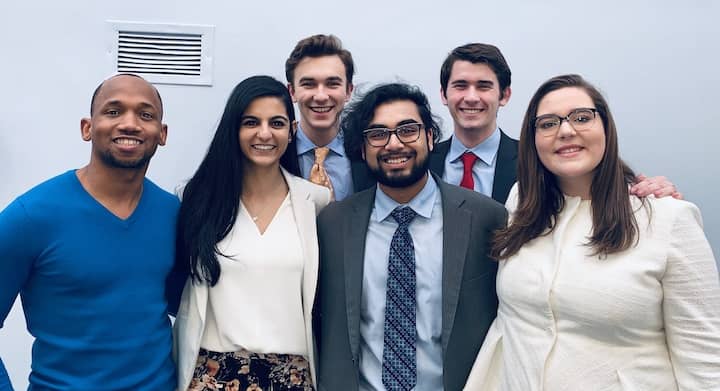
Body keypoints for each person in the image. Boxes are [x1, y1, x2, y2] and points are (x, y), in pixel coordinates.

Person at [465, 74, 720, 390]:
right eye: (547, 124)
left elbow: (705, 363)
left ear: (606, 128)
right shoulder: (521, 203)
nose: (566, 131)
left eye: (582, 118)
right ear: (532, 140)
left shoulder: (669, 220)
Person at [314, 83, 507, 391]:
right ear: (362, 149)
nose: (393, 144)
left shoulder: (486, 219)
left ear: (430, 137)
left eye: (408, 130)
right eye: (378, 134)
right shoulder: (332, 224)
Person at [0, 74, 177, 389]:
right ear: (87, 128)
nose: (130, 123)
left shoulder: (174, 215)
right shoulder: (30, 216)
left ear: (161, 134)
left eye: (145, 114)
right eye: (113, 111)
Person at [173, 75, 331, 391]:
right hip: (213, 374)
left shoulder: (315, 201)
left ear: (292, 130)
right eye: (250, 122)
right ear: (234, 130)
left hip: (292, 375)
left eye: (276, 123)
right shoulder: (197, 199)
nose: (264, 133)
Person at [431, 43, 681, 202]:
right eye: (461, 86)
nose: (471, 97)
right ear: (444, 94)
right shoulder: (424, 163)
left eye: (484, 86)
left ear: (505, 95)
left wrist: (653, 190)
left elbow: (602, 183)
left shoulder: (541, 156)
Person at [281, 34, 375, 200]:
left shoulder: (368, 152)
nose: (321, 96)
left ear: (348, 91)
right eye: (309, 84)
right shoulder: (277, 153)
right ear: (292, 92)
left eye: (332, 84)